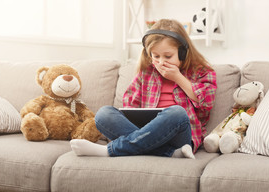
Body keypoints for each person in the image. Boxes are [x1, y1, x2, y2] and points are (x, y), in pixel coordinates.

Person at [70, 19, 217, 159]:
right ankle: (171, 153)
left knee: (177, 112)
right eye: (156, 56)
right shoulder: (145, 74)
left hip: (180, 135)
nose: (161, 62)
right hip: (148, 134)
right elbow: (130, 108)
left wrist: (178, 77)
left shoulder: (202, 71)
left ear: (183, 53)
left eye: (168, 56)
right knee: (103, 114)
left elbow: (206, 104)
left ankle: (109, 151)